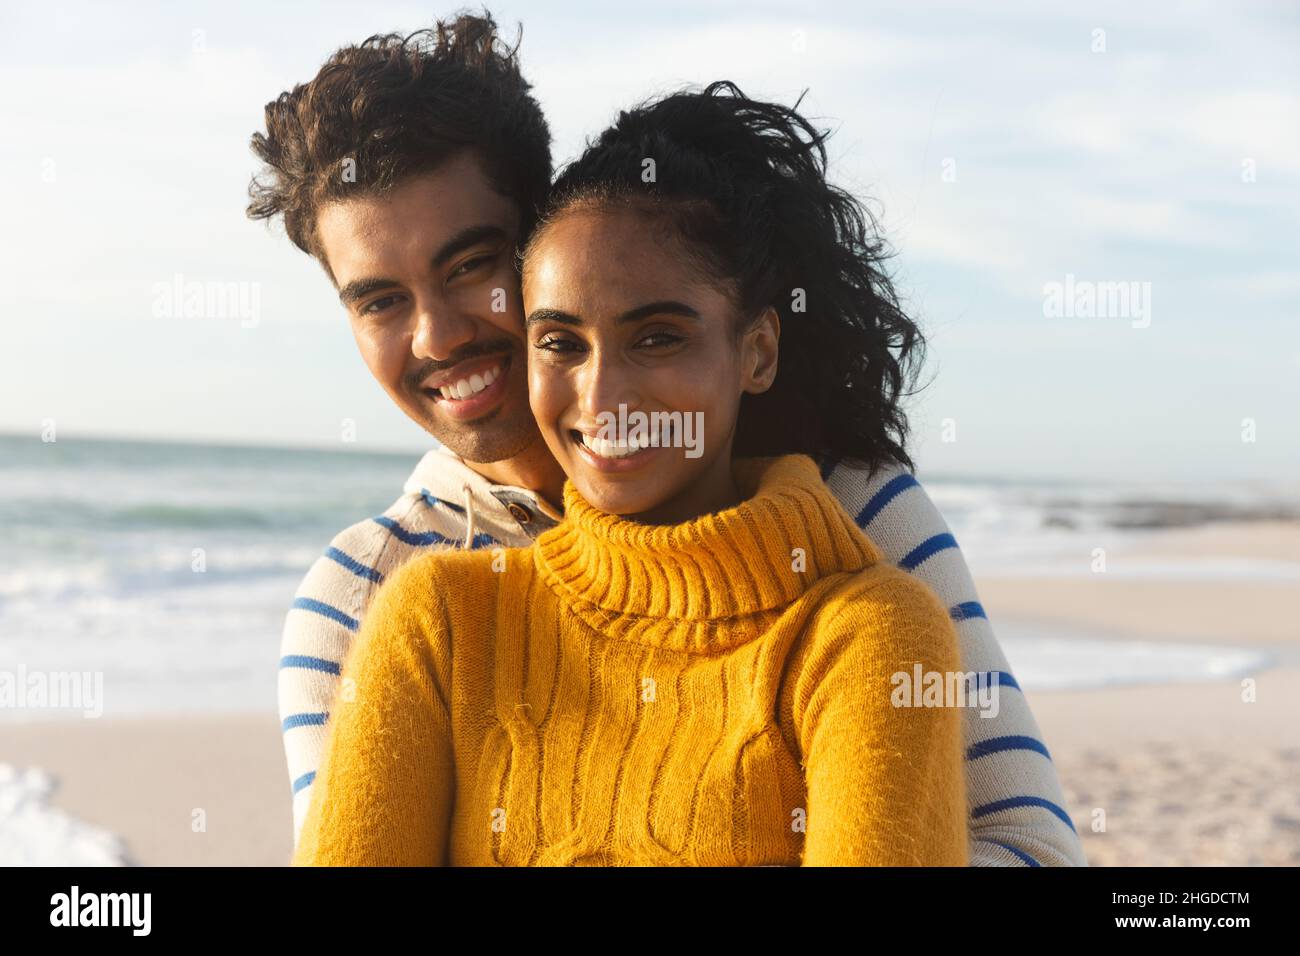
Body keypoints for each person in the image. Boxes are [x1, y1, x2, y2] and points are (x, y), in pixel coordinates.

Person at [248, 12, 1085, 867]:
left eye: (470, 267)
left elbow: (1032, 846)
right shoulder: (377, 595)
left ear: (544, 241)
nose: (437, 336)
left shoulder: (850, 513)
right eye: (379, 299)